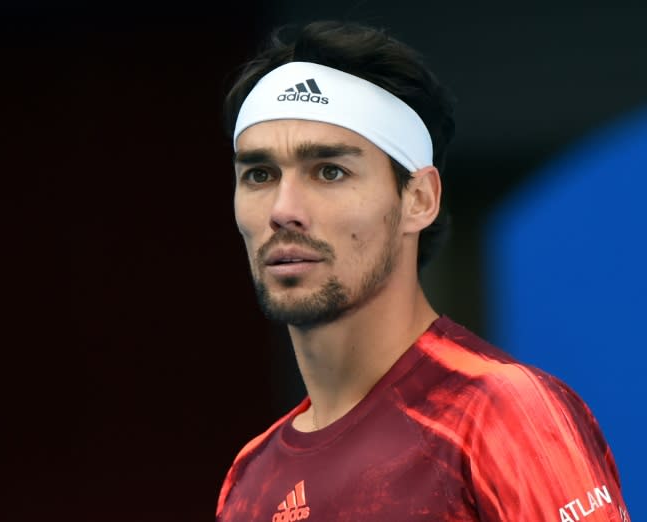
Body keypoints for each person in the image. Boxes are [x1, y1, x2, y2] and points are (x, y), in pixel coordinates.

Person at [215, 20, 631, 522]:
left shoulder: (502, 411)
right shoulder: (250, 478)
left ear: (419, 198)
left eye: (330, 171)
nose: (284, 209)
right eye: (259, 175)